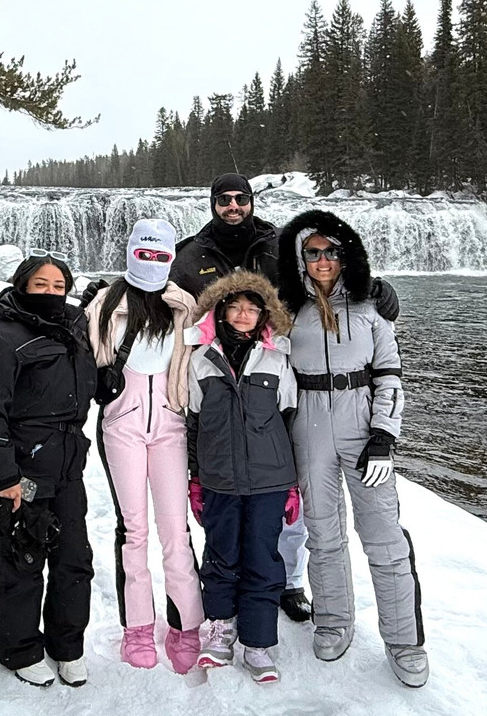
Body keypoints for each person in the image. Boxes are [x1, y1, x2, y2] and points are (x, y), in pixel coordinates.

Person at [170, 173, 399, 623]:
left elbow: (326, 275)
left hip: (285, 370)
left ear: (252, 202)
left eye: (241, 199)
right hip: (220, 374)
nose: (233, 206)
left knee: (284, 482)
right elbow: (169, 299)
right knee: (229, 489)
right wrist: (108, 290)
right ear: (212, 204)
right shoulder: (190, 254)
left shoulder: (279, 244)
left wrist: (375, 286)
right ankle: (229, 581)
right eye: (224, 200)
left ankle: (288, 583)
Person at [277, 209, 428, 688]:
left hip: (361, 426)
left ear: (345, 255)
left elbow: (390, 373)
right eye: (312, 253)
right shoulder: (288, 309)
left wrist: (384, 437)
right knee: (322, 534)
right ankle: (334, 620)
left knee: (384, 539)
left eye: (330, 251)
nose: (322, 260)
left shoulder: (370, 307)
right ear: (301, 259)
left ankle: (404, 641)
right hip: (308, 427)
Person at [0, 251, 97, 688]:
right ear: (22, 285)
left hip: (68, 464)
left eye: (58, 286)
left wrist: (106, 380)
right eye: (40, 285)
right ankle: (21, 649)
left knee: (74, 560)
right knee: (22, 560)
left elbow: (78, 378)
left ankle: (67, 646)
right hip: (21, 469)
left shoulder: (75, 325)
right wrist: (4, 478)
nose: (50, 293)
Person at [84, 219, 204, 674]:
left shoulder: (182, 304)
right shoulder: (106, 302)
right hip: (122, 424)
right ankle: (137, 626)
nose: (151, 262)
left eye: (160, 256)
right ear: (131, 252)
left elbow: (234, 323)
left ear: (171, 258)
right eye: (144, 254)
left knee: (176, 532)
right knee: (134, 530)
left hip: (171, 424)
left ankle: (185, 625)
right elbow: (83, 355)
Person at [184, 270, 299, 684]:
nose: (244, 314)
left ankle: (258, 641)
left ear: (263, 314)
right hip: (219, 480)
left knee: (263, 560)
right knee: (220, 556)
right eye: (235, 307)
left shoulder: (277, 359)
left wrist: (291, 485)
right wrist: (196, 480)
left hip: (269, 481)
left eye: (252, 308)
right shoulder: (200, 359)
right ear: (220, 312)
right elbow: (193, 424)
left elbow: (289, 420)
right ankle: (220, 630)